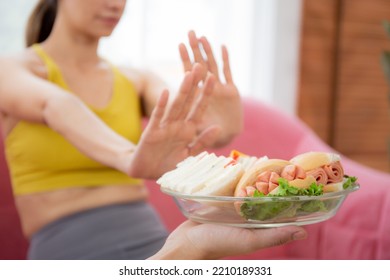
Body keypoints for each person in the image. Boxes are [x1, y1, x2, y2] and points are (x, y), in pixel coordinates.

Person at [0, 0, 307, 260]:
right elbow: (55, 105)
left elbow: (182, 117)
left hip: (150, 238)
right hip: (66, 245)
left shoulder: (136, 79)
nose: (116, 4)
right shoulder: (13, 69)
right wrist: (127, 156)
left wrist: (219, 124)